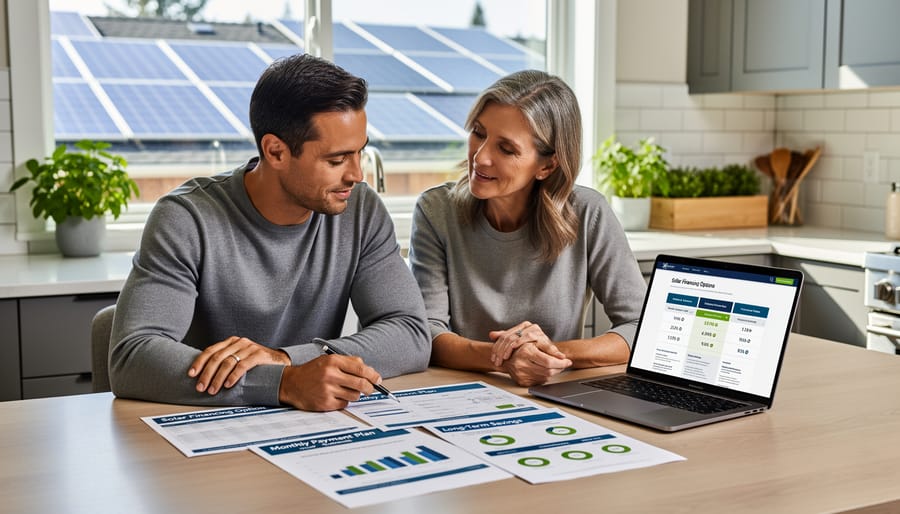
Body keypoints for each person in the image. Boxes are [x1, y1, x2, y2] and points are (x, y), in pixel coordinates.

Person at [109, 54, 430, 411]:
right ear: (275, 151)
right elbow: (132, 358)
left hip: (312, 426)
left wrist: (288, 359)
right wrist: (284, 384)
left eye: (360, 153)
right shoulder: (186, 218)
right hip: (204, 425)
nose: (356, 175)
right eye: (336, 160)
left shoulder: (361, 210)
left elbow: (411, 334)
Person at [408, 70, 645, 387]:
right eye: (479, 133)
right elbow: (427, 333)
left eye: (506, 149)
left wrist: (548, 354)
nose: (481, 157)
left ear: (546, 166)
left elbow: (641, 328)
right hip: (459, 393)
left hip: (553, 395)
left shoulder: (589, 213)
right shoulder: (436, 211)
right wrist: (505, 358)